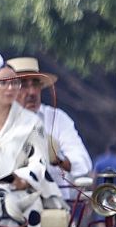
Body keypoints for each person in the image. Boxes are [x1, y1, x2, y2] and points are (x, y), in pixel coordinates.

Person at [8, 56, 90, 186]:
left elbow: (83, 163)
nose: (32, 92)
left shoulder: (57, 118)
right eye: (23, 85)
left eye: (35, 84)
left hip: (58, 202)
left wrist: (59, 160)